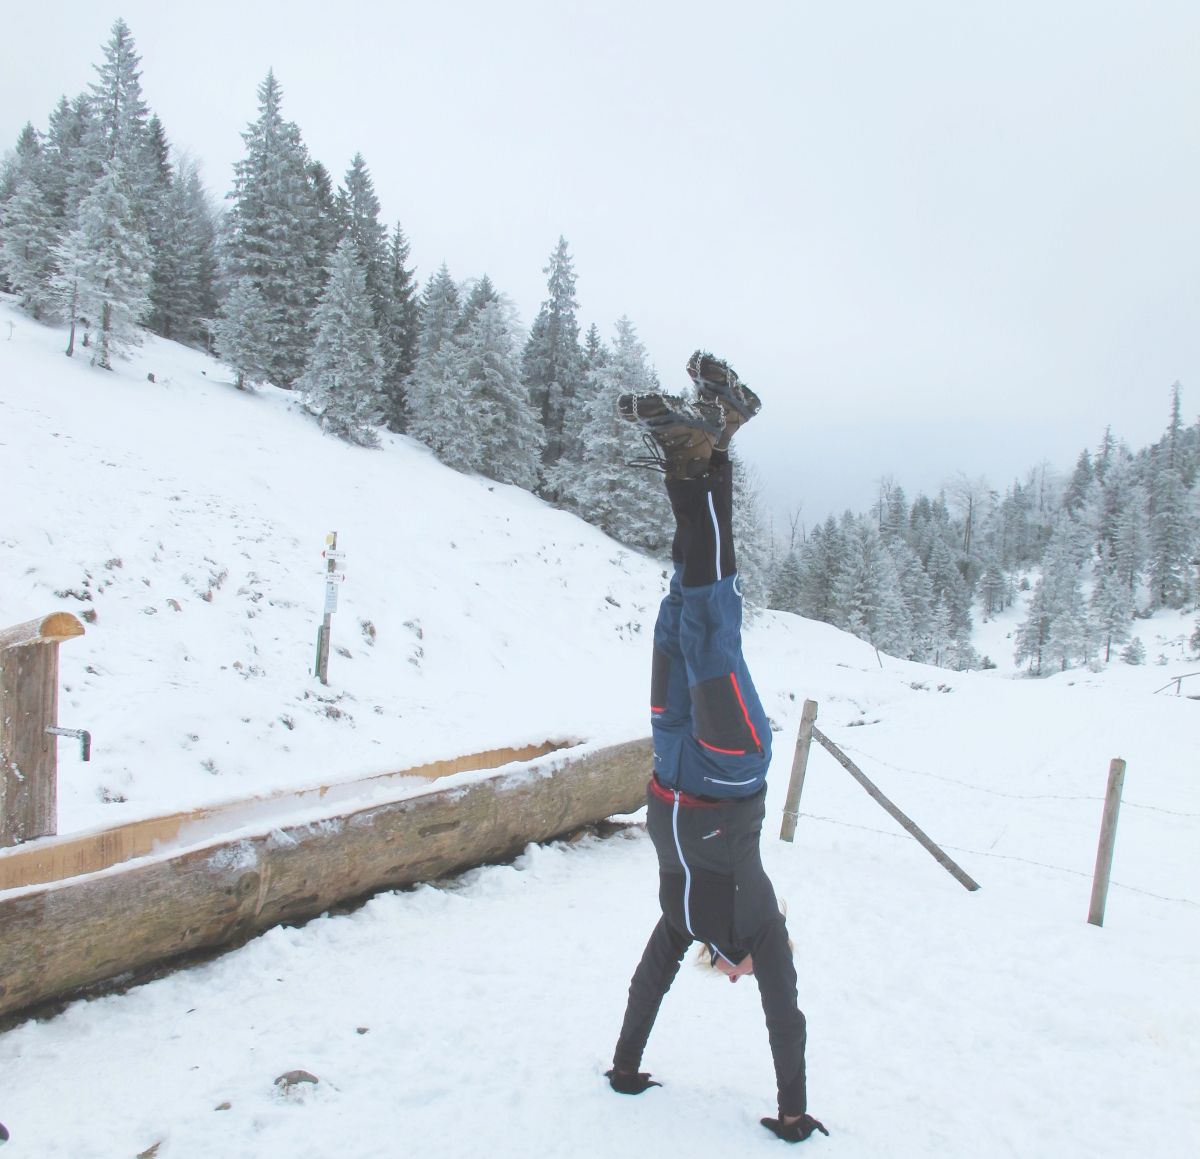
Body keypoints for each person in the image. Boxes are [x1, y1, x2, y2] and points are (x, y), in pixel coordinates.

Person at [604, 351, 827, 1145]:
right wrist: (792, 1112)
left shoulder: (680, 927)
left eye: (729, 972)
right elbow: (786, 1020)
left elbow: (643, 990)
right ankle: (686, 457)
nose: (735, 976)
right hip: (734, 768)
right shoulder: (762, 927)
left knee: (680, 608)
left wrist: (627, 1067)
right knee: (710, 613)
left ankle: (718, 434)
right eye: (745, 976)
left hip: (672, 763)